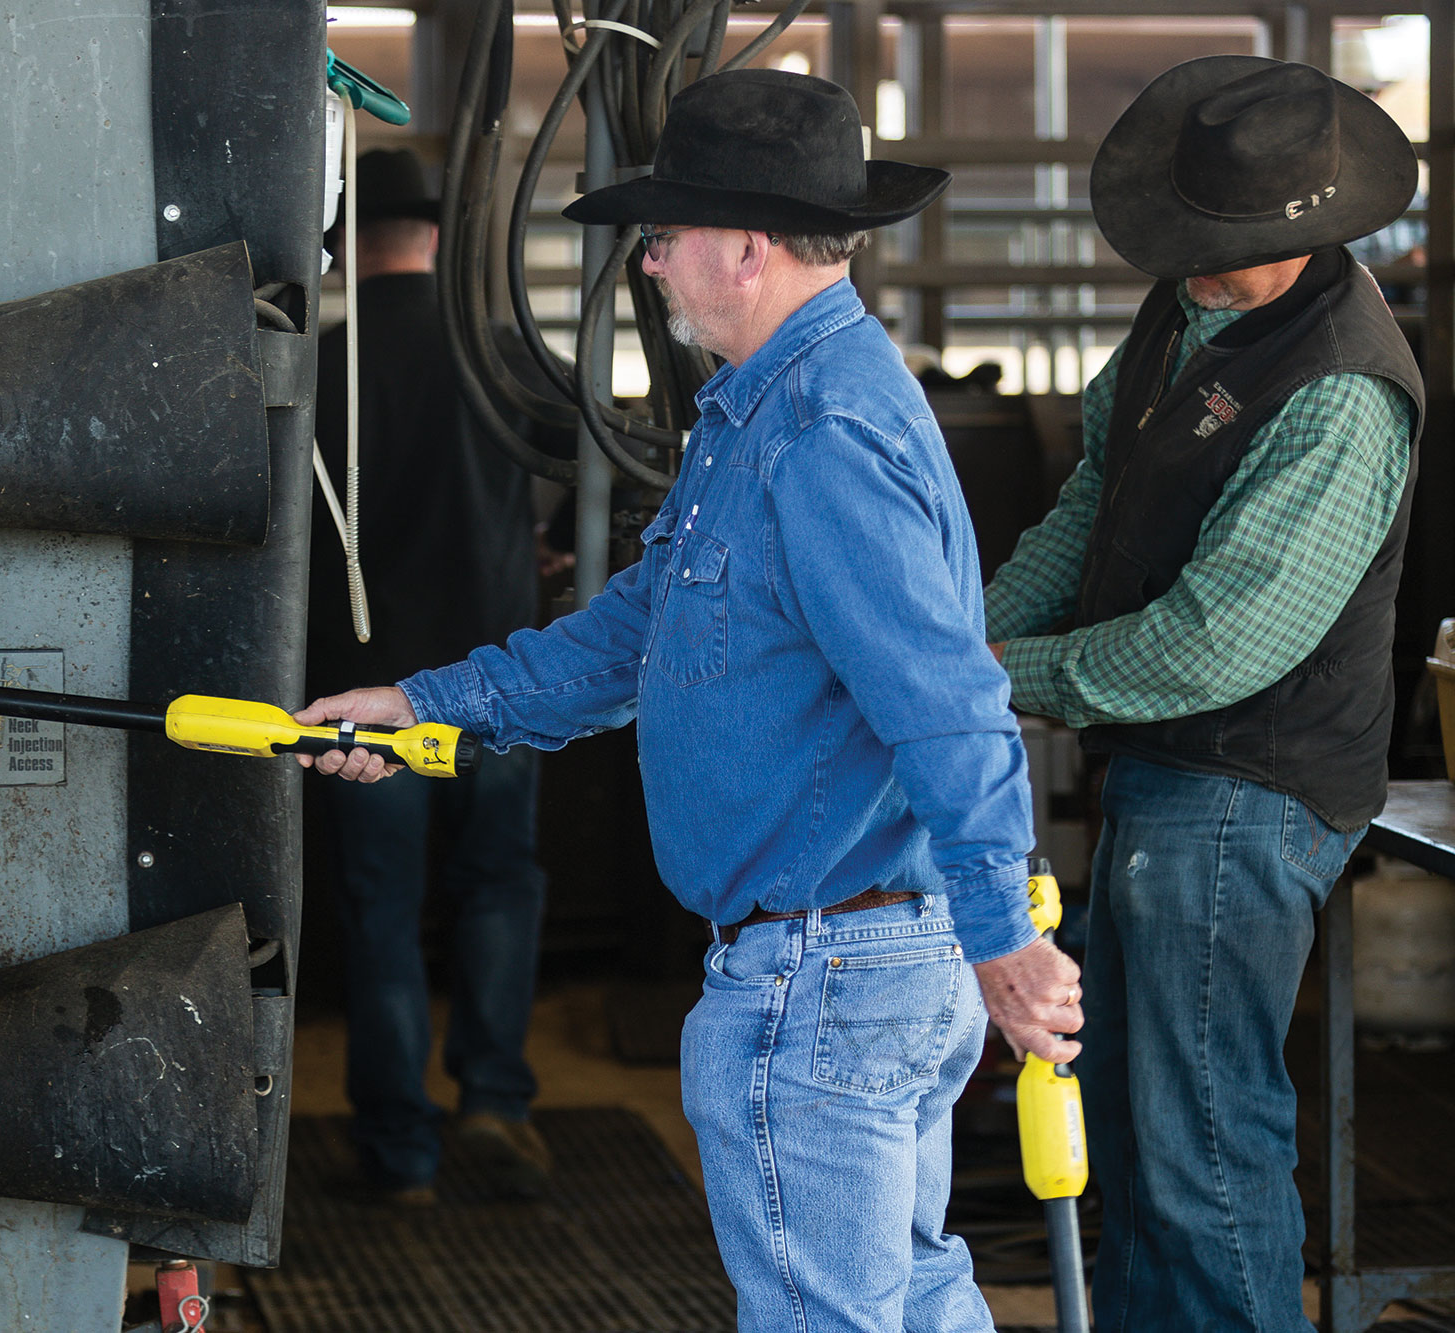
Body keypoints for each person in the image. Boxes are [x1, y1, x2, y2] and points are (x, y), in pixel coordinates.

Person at [299, 72, 1081, 1330]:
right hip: (844, 961)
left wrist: (1003, 931)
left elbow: (947, 698)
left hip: (827, 972)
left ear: (745, 245)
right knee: (904, 1305)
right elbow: (635, 632)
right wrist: (425, 706)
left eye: (660, 238)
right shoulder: (754, 412)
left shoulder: (824, 429)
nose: (649, 266)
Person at [983, 57, 1422, 1333]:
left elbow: (1211, 647)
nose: (1193, 263)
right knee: (1127, 1120)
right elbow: (1088, 506)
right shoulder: (1183, 311)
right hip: (1165, 773)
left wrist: (996, 677)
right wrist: (963, 642)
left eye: (1220, 247)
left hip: (1248, 788)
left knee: (1201, 1146)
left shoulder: (1336, 388)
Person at [307, 146, 556, 1207]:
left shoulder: (317, 367)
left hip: (368, 691)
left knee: (382, 912)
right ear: (439, 239)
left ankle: (400, 1150)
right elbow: (555, 497)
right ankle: (494, 1100)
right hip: (498, 674)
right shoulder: (502, 360)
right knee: (497, 884)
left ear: (343, 247)